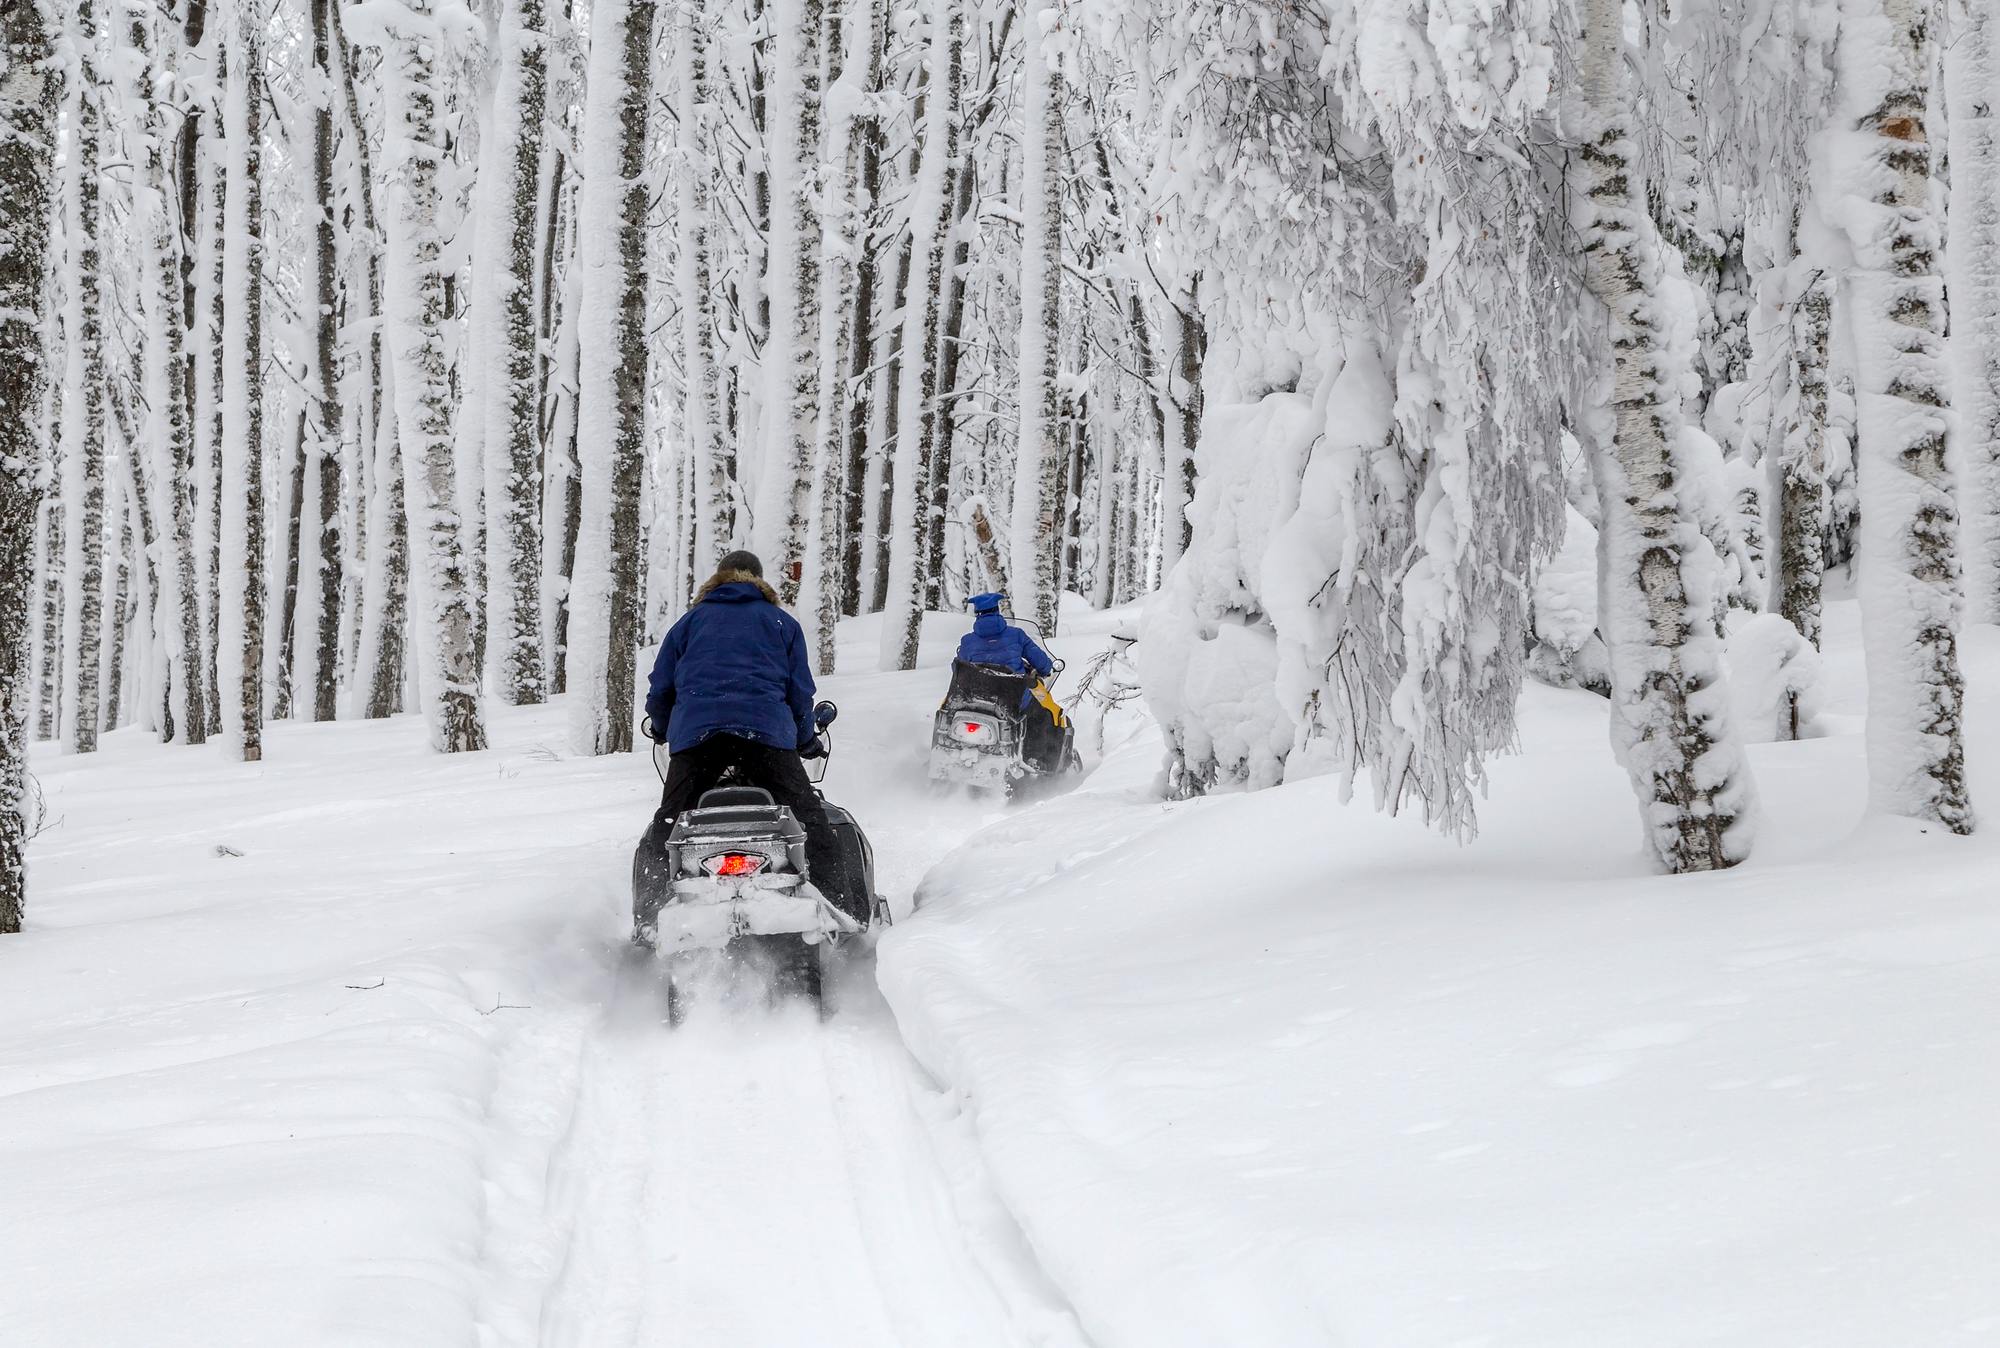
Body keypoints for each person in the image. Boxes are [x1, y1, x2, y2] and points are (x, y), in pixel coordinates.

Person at [644, 551, 860, 920]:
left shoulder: (687, 624)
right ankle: (841, 906)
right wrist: (806, 739)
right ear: (759, 581)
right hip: (765, 737)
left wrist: (662, 728)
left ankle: (649, 915)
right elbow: (799, 693)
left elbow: (660, 689)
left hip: (698, 742)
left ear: (719, 579)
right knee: (810, 820)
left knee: (669, 825)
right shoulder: (781, 623)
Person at [953, 592, 1067, 772]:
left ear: (978, 614)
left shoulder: (967, 641)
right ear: (997, 610)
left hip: (974, 697)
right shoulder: (1017, 635)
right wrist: (1045, 669)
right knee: (1042, 715)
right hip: (1011, 699)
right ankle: (1035, 760)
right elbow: (1042, 663)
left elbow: (960, 666)